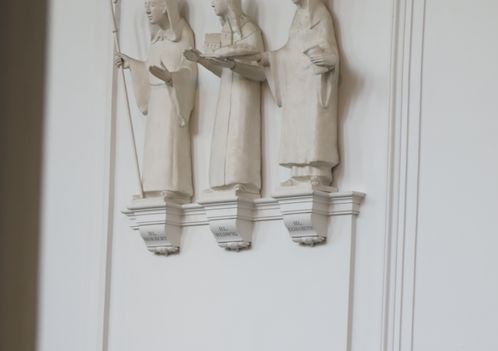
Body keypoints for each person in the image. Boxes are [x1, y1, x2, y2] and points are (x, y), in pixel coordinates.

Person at [222, 0, 340, 190]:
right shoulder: (298, 16)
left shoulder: (320, 16)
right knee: (295, 127)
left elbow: (330, 51)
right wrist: (269, 58)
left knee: (312, 128)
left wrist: (327, 59)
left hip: (311, 86)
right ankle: (297, 172)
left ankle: (316, 173)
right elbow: (290, 50)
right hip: (295, 85)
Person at [115, 0, 198, 201]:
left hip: (172, 99)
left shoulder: (183, 35)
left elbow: (189, 70)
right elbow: (148, 69)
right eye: (146, 4)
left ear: (166, 7)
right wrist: (131, 64)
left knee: (169, 143)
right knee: (154, 145)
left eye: (151, 4)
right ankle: (152, 186)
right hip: (157, 100)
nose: (146, 9)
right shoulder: (157, 40)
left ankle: (173, 187)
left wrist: (173, 78)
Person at [185, 0, 265, 197]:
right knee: (223, 137)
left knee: (240, 134)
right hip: (226, 92)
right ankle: (220, 182)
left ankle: (242, 181)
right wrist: (201, 59)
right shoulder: (225, 33)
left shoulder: (249, 29)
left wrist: (232, 64)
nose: (211, 3)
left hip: (243, 94)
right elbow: (222, 71)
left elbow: (259, 69)